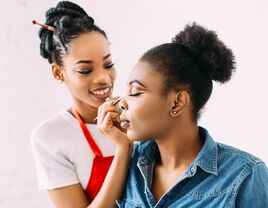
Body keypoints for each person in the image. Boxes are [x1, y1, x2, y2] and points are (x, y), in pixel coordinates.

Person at [99, 23, 268, 207]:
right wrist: (123, 150)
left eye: (135, 92)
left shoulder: (245, 174)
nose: (121, 103)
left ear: (177, 102)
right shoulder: (131, 161)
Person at [31, 1, 132, 207]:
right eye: (85, 70)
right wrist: (123, 148)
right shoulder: (50, 137)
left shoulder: (135, 112)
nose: (103, 78)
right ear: (58, 72)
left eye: (108, 64)